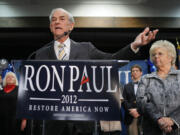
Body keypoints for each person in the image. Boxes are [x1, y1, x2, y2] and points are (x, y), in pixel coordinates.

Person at [29, 8, 158, 135]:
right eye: (53, 20)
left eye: (62, 19)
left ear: (71, 26)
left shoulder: (86, 49)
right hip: (52, 123)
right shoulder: (40, 54)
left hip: (82, 122)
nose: (57, 22)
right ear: (51, 26)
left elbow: (111, 60)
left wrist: (134, 46)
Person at [136, 40, 180, 135]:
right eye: (153, 54)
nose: (156, 56)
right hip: (151, 130)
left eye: (160, 54)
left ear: (170, 57)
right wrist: (159, 118)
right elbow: (141, 103)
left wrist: (173, 121)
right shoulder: (145, 79)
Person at [122, 64, 143, 135]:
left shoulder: (146, 85)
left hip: (144, 116)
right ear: (131, 73)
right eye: (133, 71)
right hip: (131, 116)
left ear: (141, 73)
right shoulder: (126, 86)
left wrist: (138, 110)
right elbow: (124, 100)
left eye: (137, 71)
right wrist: (131, 110)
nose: (135, 72)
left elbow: (149, 100)